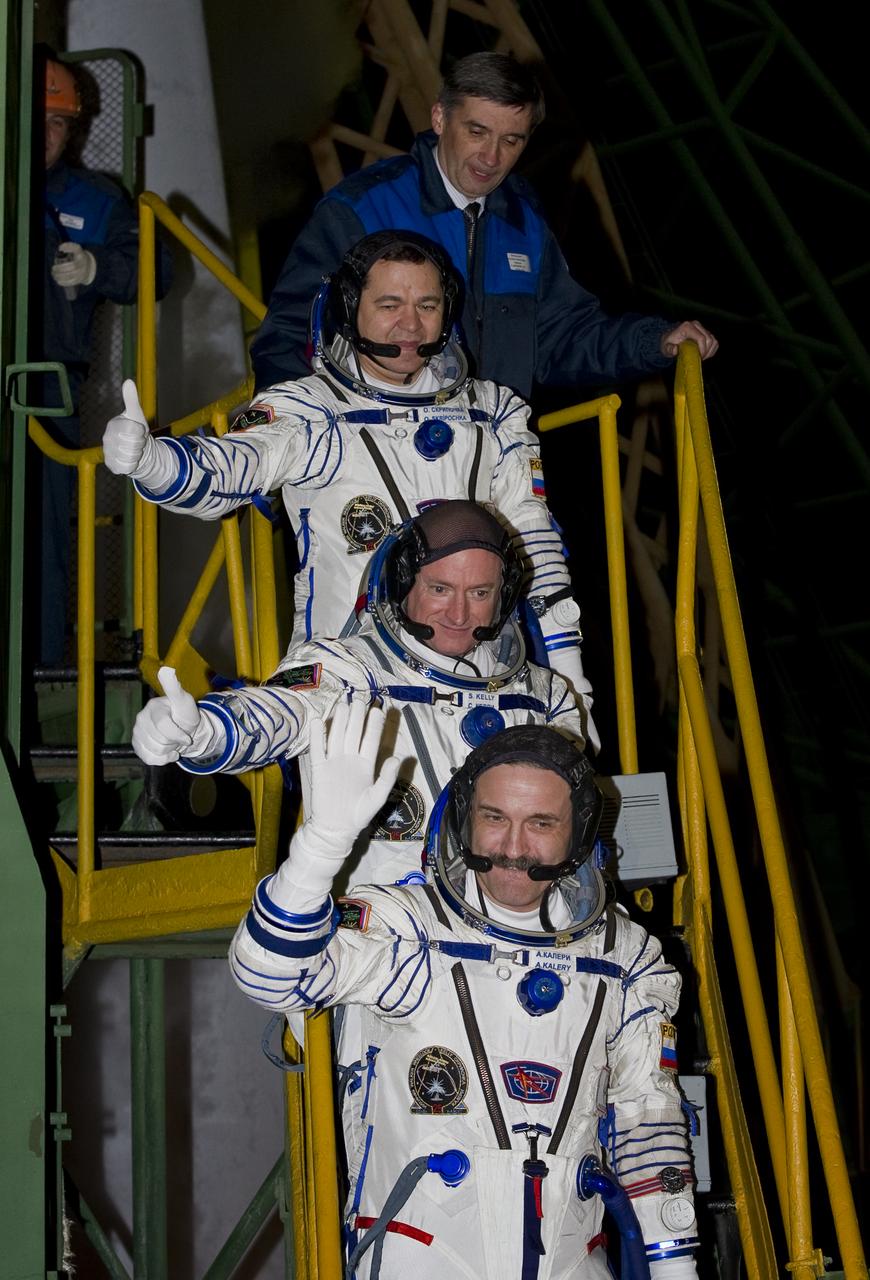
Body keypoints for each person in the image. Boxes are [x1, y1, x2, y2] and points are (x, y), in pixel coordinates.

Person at [229, 706, 700, 1278]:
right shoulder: (407, 929)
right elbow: (266, 974)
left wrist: (676, 1269)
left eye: (541, 823)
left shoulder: (625, 959)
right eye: (494, 817)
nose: (513, 847)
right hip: (420, 1256)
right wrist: (320, 846)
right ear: (463, 819)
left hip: (574, 1261)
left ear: (577, 834)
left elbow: (649, 1121)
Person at [102, 230, 596, 731]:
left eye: (427, 305)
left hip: (486, 684)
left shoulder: (493, 413)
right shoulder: (310, 410)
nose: (410, 324)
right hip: (348, 693)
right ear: (349, 308)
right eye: (389, 305)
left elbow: (534, 541)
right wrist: (152, 461)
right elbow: (234, 466)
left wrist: (571, 679)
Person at [131, 502, 589, 887]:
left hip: (510, 922)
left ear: (503, 596)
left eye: (480, 593)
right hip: (385, 931)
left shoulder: (546, 696)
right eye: (440, 589)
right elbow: (282, 711)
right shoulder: (348, 669)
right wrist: (205, 731)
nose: (458, 613)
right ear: (404, 583)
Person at [249, 51, 718, 399]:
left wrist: (656, 341)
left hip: (491, 462)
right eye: (477, 132)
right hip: (377, 460)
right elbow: (291, 334)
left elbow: (562, 338)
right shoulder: (359, 209)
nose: (491, 158)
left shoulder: (525, 221)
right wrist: (291, 437)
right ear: (439, 117)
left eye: (511, 140)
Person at [39, 54, 171, 663]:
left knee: (42, 542)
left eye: (57, 122)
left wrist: (98, 267)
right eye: (36, 119)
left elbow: (156, 268)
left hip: (46, 395)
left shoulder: (91, 200)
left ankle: (38, 668)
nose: (45, 134)